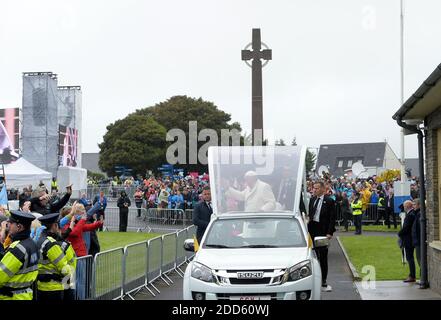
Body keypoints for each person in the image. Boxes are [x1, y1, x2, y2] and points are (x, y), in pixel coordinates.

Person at [0, 211, 39, 300]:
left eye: (10, 223)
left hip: (11, 297)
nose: (8, 226)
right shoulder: (32, 244)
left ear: (19, 227)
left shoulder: (18, 248)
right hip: (25, 295)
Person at [36, 213, 72, 301]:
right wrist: (71, 273)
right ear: (54, 226)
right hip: (54, 288)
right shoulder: (51, 244)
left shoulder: (39, 240)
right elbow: (64, 268)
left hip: (41, 287)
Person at [307, 181, 336, 292]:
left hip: (323, 231)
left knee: (323, 256)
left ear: (323, 189)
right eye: (314, 188)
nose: (315, 190)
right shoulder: (312, 200)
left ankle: (323, 280)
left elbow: (332, 218)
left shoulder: (329, 201)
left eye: (317, 188)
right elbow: (311, 214)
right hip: (312, 229)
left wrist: (329, 233)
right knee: (313, 255)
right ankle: (313, 279)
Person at [398, 200, 417, 283]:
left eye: (404, 206)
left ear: (406, 207)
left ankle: (412, 275)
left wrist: (400, 233)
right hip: (409, 238)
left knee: (410, 257)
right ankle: (411, 275)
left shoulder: (410, 215)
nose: (404, 208)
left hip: (409, 239)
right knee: (410, 257)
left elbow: (406, 228)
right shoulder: (411, 214)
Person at [412, 199, 421, 272]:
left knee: (420, 260)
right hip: (417, 241)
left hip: (419, 242)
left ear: (419, 205)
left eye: (414, 204)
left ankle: (423, 278)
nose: (413, 206)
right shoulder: (416, 214)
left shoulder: (419, 214)